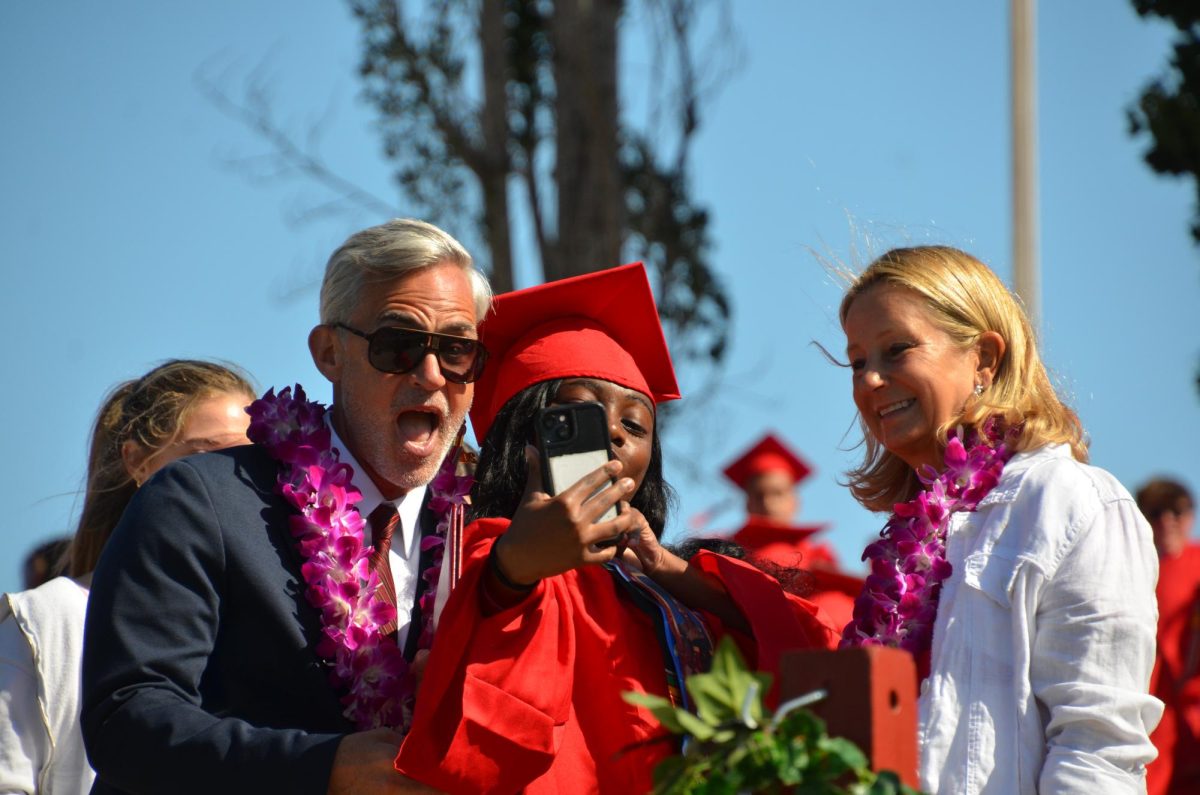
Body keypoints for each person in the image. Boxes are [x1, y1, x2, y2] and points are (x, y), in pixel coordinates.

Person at [80, 219, 490, 795]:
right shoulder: (202, 503)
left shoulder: (483, 536)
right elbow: (126, 720)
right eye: (397, 345)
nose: (430, 374)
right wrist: (323, 769)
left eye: (456, 350)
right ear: (329, 353)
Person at [394, 262, 839, 793]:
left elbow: (823, 657)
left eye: (635, 424)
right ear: (523, 434)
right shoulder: (496, 555)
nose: (613, 432)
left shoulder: (669, 584)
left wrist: (673, 570)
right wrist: (516, 572)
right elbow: (491, 721)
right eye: (580, 414)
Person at [837, 245, 1161, 794]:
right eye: (858, 362)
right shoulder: (904, 546)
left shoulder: (1070, 502)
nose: (870, 380)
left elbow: (1098, 751)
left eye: (896, 351)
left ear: (984, 359)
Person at [0, 360, 255, 795]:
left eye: (253, 460)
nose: (234, 481)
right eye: (209, 458)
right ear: (137, 462)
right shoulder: (50, 617)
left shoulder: (275, 624)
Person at [720, 433, 861, 630]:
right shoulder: (727, 551)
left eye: (778, 493)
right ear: (747, 502)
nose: (768, 503)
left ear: (795, 501)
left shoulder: (819, 553)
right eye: (759, 495)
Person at [1139, 478, 1200, 795]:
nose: (1167, 521)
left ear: (1190, 515)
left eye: (1177, 511)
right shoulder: (1129, 570)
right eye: (1156, 512)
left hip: (1192, 717)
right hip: (1147, 715)